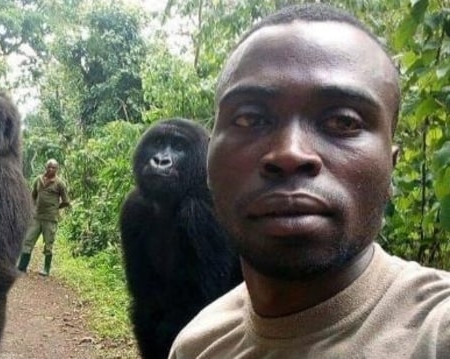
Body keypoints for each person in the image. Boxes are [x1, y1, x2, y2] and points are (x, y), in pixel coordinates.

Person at [169, 4, 450, 359]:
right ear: (210, 165)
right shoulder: (198, 347)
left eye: (343, 122)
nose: (289, 153)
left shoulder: (437, 331)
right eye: (249, 118)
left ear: (390, 169)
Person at [17, 159, 70, 276]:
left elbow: (66, 201)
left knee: (48, 244)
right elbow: (32, 197)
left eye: (54, 168)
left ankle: (46, 269)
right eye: (49, 167)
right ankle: (22, 267)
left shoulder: (60, 184)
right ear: (45, 167)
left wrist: (55, 207)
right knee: (28, 241)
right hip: (36, 217)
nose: (51, 169)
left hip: (50, 219)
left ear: (57, 169)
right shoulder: (38, 180)